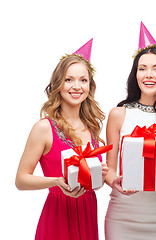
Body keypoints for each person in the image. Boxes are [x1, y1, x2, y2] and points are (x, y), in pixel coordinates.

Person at [15, 39, 108, 240]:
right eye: (69, 80)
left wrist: (98, 177)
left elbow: (91, 184)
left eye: (83, 80)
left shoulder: (91, 127)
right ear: (58, 84)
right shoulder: (44, 128)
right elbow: (21, 180)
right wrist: (57, 182)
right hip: (58, 215)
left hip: (87, 212)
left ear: (90, 85)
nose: (77, 86)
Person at [104, 22, 156, 240]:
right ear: (135, 74)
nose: (148, 75)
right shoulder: (118, 114)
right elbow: (109, 169)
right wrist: (115, 182)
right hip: (122, 213)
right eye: (142, 68)